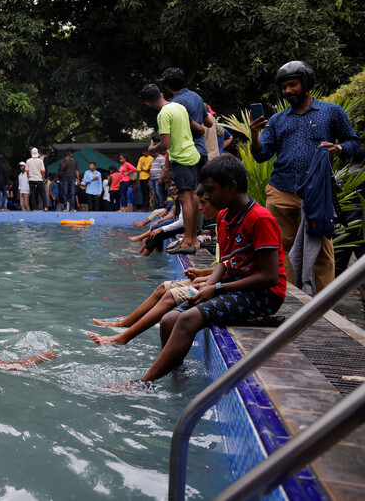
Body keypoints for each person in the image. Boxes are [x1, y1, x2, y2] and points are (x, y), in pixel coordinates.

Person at [136, 155, 286, 382]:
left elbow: (270, 277)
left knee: (187, 320)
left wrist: (217, 287)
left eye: (210, 190)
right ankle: (175, 372)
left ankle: (143, 383)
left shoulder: (259, 219)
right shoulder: (225, 216)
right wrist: (209, 283)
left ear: (232, 187)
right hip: (231, 286)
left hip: (264, 295)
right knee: (168, 320)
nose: (205, 196)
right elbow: (226, 260)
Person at [250, 60, 360, 292]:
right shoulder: (278, 119)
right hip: (281, 190)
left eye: (293, 85)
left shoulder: (331, 112)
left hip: (317, 192)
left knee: (321, 249)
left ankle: (322, 307)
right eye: (284, 87)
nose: (288, 90)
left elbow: (354, 143)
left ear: (306, 83)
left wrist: (338, 149)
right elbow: (263, 155)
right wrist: (255, 136)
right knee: (279, 249)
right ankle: (287, 299)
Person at [89, 189, 219, 345]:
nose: (199, 208)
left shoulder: (231, 222)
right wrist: (203, 273)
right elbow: (227, 266)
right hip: (211, 278)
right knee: (162, 288)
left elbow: (236, 270)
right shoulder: (223, 222)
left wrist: (206, 279)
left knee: (170, 302)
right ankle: (123, 324)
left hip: (217, 283)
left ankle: (122, 338)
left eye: (203, 203)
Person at [141, 83, 201, 254]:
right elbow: (194, 128)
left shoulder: (163, 114)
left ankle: (189, 239)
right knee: (193, 195)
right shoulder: (178, 106)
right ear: (160, 94)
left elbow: (165, 144)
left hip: (181, 158)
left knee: (184, 197)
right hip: (192, 154)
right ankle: (193, 237)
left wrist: (152, 149)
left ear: (148, 103)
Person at [162, 67, 212, 170]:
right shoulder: (197, 97)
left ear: (167, 86)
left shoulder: (173, 105)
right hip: (202, 150)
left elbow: (171, 136)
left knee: (188, 186)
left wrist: (166, 167)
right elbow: (209, 123)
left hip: (186, 155)